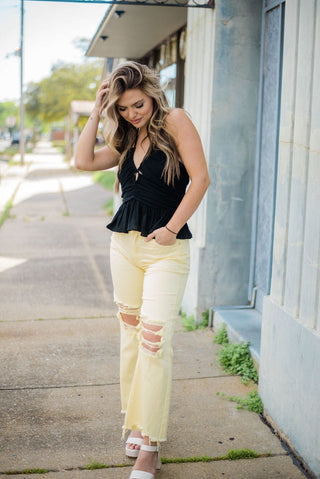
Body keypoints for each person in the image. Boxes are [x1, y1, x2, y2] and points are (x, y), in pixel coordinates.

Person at [75, 61, 210, 479]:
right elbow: (82, 161)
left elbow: (201, 179)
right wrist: (97, 112)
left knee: (154, 339)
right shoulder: (125, 136)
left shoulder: (175, 120)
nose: (134, 113)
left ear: (152, 93)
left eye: (138, 104)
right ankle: (135, 420)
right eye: (125, 107)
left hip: (165, 251)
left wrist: (171, 228)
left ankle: (151, 446)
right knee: (131, 338)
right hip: (124, 248)